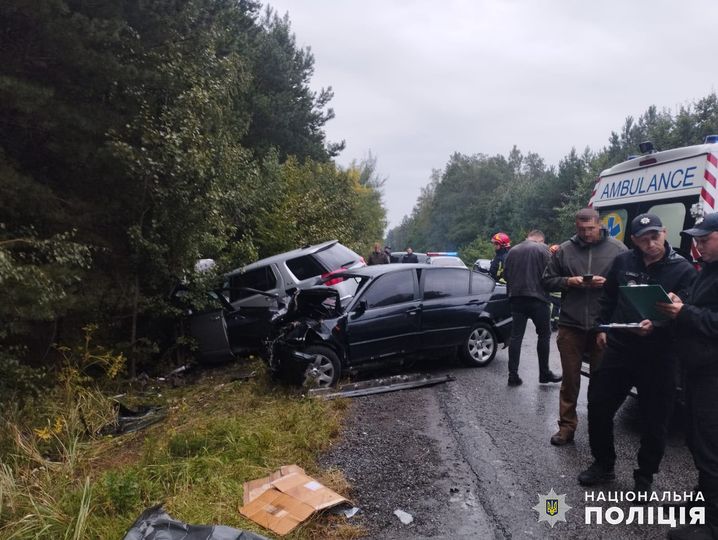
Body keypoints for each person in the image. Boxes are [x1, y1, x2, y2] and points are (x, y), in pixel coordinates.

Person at [577, 214, 696, 496]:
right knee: (598, 405)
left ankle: (645, 477)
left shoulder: (684, 270)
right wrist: (600, 328)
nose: (651, 243)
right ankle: (603, 464)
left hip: (660, 354)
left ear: (665, 233)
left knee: (656, 419)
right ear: (634, 241)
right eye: (644, 239)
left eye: (656, 236)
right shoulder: (623, 262)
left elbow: (689, 313)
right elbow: (607, 297)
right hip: (620, 347)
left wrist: (661, 322)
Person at [656, 213, 718, 540]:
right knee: (695, 438)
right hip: (696, 368)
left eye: (704, 239)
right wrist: (681, 303)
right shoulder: (707, 269)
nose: (697, 245)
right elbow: (699, 307)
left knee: (711, 445)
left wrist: (686, 312)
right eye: (696, 238)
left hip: (713, 375)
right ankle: (701, 503)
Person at [542, 209, 627, 446]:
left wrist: (609, 285)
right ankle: (567, 427)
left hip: (603, 324)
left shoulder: (618, 250)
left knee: (601, 380)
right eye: (581, 229)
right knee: (570, 380)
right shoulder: (565, 250)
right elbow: (546, 281)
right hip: (571, 323)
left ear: (600, 225)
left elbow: (629, 282)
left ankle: (597, 426)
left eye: (590, 229)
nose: (586, 234)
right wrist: (571, 281)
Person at [503, 229, 561, 386]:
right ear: (541, 240)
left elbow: (506, 275)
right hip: (538, 300)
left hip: (516, 299)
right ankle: (544, 374)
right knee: (544, 335)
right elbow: (551, 274)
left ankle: (512, 375)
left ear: (527, 238)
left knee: (516, 337)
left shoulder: (513, 250)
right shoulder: (543, 249)